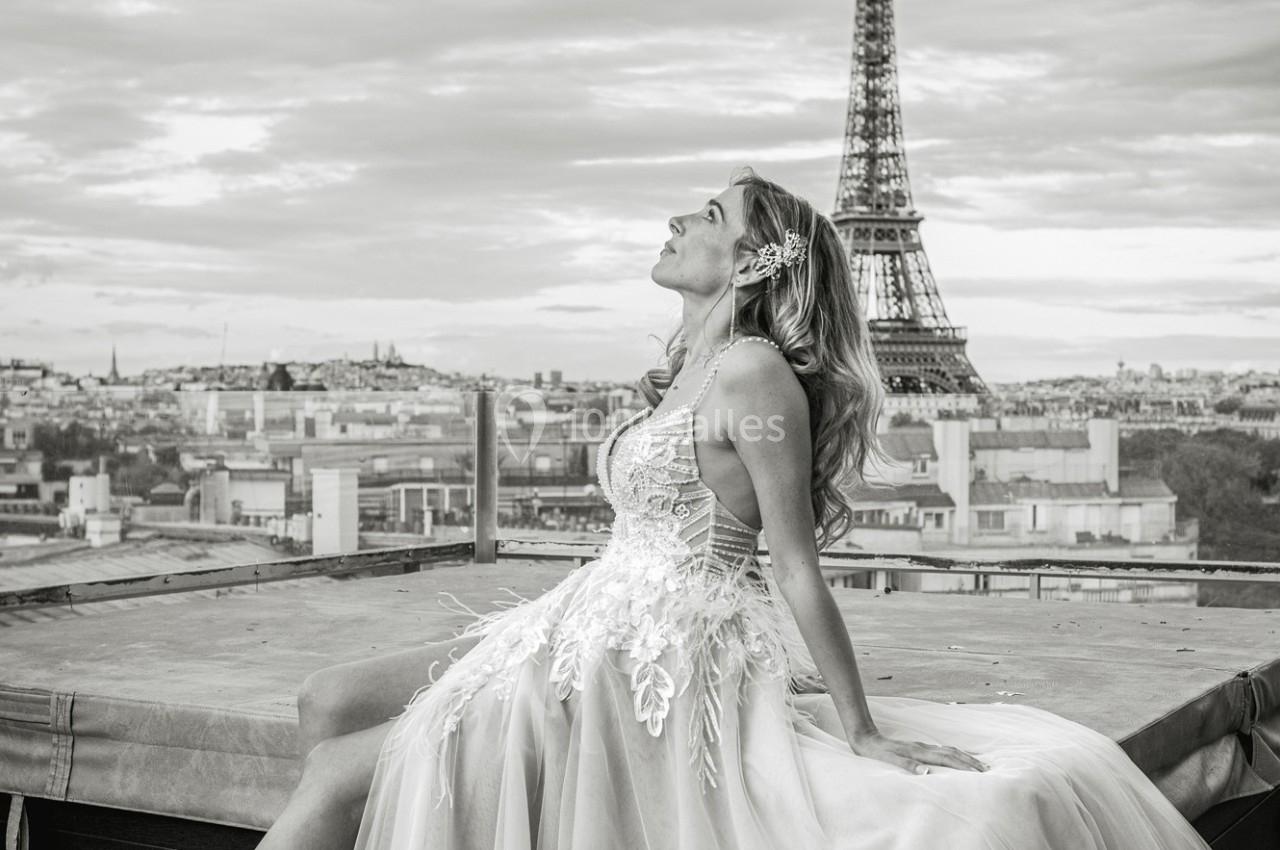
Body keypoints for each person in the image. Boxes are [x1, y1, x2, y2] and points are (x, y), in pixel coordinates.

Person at [257, 168, 1212, 849]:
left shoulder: (753, 372)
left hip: (656, 650)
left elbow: (793, 561)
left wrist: (862, 726)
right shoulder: (687, 369)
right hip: (592, 615)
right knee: (324, 702)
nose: (677, 217)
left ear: (752, 263)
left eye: (707, 212)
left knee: (342, 773)